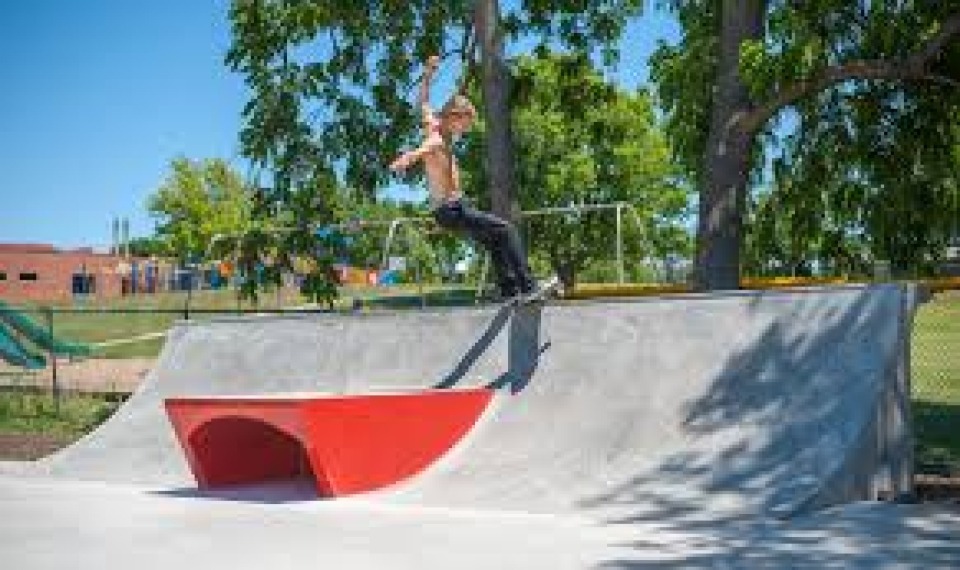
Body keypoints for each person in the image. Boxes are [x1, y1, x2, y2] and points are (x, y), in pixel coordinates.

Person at [389, 55, 555, 301]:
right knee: (506, 230)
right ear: (454, 117)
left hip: (448, 210)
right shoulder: (437, 138)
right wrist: (410, 157)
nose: (463, 131)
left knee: (495, 240)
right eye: (463, 126)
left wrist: (428, 74)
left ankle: (509, 291)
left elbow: (422, 100)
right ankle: (529, 286)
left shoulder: (432, 122)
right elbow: (428, 147)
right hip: (451, 209)